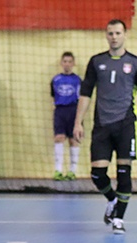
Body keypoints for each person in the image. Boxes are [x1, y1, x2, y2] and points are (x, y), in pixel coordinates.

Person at [73, 19, 137, 235]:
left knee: (124, 172)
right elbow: (86, 93)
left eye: (118, 33)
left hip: (126, 124)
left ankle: (119, 219)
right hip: (102, 126)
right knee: (97, 174)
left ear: (124, 34)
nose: (114, 37)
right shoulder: (96, 61)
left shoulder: (135, 63)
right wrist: (77, 122)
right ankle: (112, 200)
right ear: (106, 35)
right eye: (110, 33)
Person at [51, 52, 82, 181]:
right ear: (61, 63)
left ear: (73, 63)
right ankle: (58, 170)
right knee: (59, 138)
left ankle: (72, 171)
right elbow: (53, 95)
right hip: (60, 111)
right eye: (65, 61)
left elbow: (82, 98)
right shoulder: (56, 80)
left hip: (74, 111)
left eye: (70, 61)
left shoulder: (78, 80)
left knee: (74, 140)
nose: (67, 64)